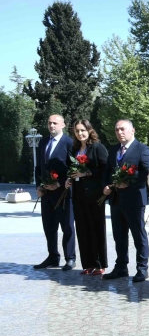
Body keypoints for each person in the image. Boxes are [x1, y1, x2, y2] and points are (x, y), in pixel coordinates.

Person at [102, 119, 149, 283]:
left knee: (138, 235)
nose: (119, 132)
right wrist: (106, 186)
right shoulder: (113, 150)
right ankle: (121, 267)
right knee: (119, 235)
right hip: (116, 199)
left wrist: (129, 182)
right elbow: (108, 172)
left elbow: (146, 173)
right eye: (117, 130)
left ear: (133, 130)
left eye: (122, 129)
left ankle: (142, 269)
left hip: (134, 199)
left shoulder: (142, 149)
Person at [64, 119, 108, 275]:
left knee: (96, 228)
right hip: (78, 193)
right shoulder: (74, 149)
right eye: (77, 131)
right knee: (82, 228)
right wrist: (69, 179)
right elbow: (71, 169)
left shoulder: (97, 147)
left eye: (82, 130)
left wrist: (86, 173)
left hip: (94, 194)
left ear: (89, 130)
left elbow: (105, 169)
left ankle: (100, 264)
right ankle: (88, 264)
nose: (80, 133)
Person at [33, 114, 76, 271]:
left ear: (63, 125)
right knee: (49, 227)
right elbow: (39, 167)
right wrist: (39, 186)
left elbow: (73, 169)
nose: (51, 126)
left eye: (55, 123)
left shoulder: (69, 143)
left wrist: (59, 183)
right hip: (46, 194)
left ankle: (70, 258)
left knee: (67, 227)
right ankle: (53, 257)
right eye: (49, 123)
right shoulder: (44, 142)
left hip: (63, 193)